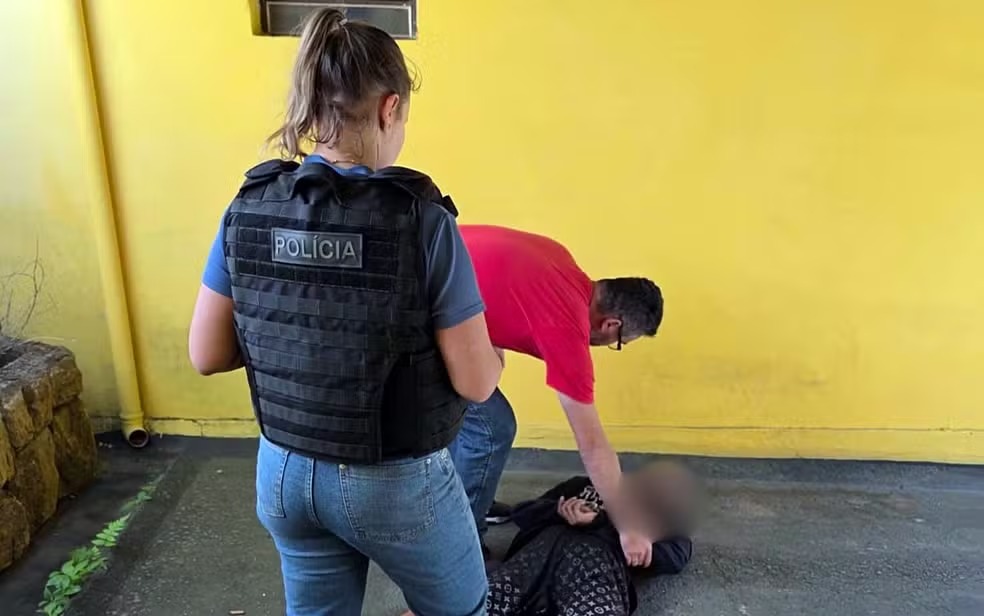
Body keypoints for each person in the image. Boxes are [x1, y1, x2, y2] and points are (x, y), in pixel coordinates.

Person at [188, 9, 502, 616]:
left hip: (283, 472)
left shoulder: (247, 207)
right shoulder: (422, 220)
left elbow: (207, 354)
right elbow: (476, 383)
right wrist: (493, 356)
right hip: (393, 483)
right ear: (390, 108)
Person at [453, 225, 665, 565]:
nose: (611, 346)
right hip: (404, 307)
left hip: (417, 277)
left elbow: (489, 278)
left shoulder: (560, 259)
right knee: (492, 428)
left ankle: (465, 500)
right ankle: (460, 547)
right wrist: (628, 526)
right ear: (611, 325)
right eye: (620, 343)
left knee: (466, 415)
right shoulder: (567, 326)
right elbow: (593, 445)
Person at [484, 460, 700, 615]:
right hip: (540, 555)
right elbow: (522, 513)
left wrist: (602, 523)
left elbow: (676, 555)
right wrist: (559, 511)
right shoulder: (580, 485)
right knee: (480, 603)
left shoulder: (651, 513)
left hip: (595, 568)